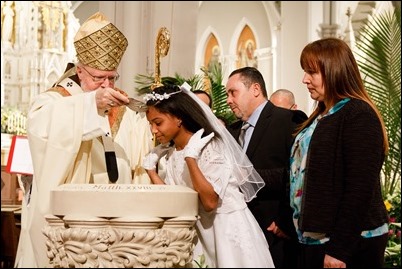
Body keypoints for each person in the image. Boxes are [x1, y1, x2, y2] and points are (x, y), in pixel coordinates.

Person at [15, 12, 154, 267]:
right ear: (79, 71)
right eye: (98, 77)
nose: (106, 84)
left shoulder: (119, 102)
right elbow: (39, 126)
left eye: (112, 77)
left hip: (115, 221)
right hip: (69, 225)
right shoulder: (55, 100)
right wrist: (89, 106)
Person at [141, 83, 275, 268]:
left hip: (226, 229)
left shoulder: (210, 147)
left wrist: (191, 158)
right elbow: (174, 200)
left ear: (178, 118)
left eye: (158, 122)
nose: (154, 130)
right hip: (200, 232)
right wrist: (151, 171)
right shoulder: (172, 154)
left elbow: (210, 203)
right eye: (151, 124)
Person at [289, 37, 389, 268]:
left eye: (311, 72)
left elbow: (359, 188)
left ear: (334, 72)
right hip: (316, 239)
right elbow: (299, 173)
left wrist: (340, 250)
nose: (304, 79)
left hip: (350, 243)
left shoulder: (358, 114)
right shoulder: (322, 114)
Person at [225, 66, 299, 268]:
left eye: (233, 92)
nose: (229, 100)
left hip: (276, 233)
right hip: (240, 233)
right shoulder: (231, 131)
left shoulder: (288, 121)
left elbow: (296, 175)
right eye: (227, 94)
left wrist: (285, 224)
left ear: (255, 89)